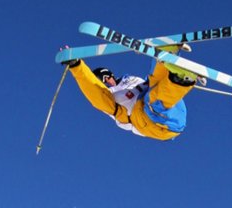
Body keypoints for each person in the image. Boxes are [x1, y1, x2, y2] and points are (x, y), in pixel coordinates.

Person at [63, 44, 201, 141]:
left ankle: (166, 52)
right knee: (153, 101)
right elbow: (93, 90)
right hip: (150, 124)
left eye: (107, 77)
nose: (107, 82)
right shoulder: (110, 97)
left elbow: (153, 81)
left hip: (172, 108)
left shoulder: (131, 79)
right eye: (102, 81)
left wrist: (156, 58)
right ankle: (182, 79)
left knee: (155, 82)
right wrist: (76, 66)